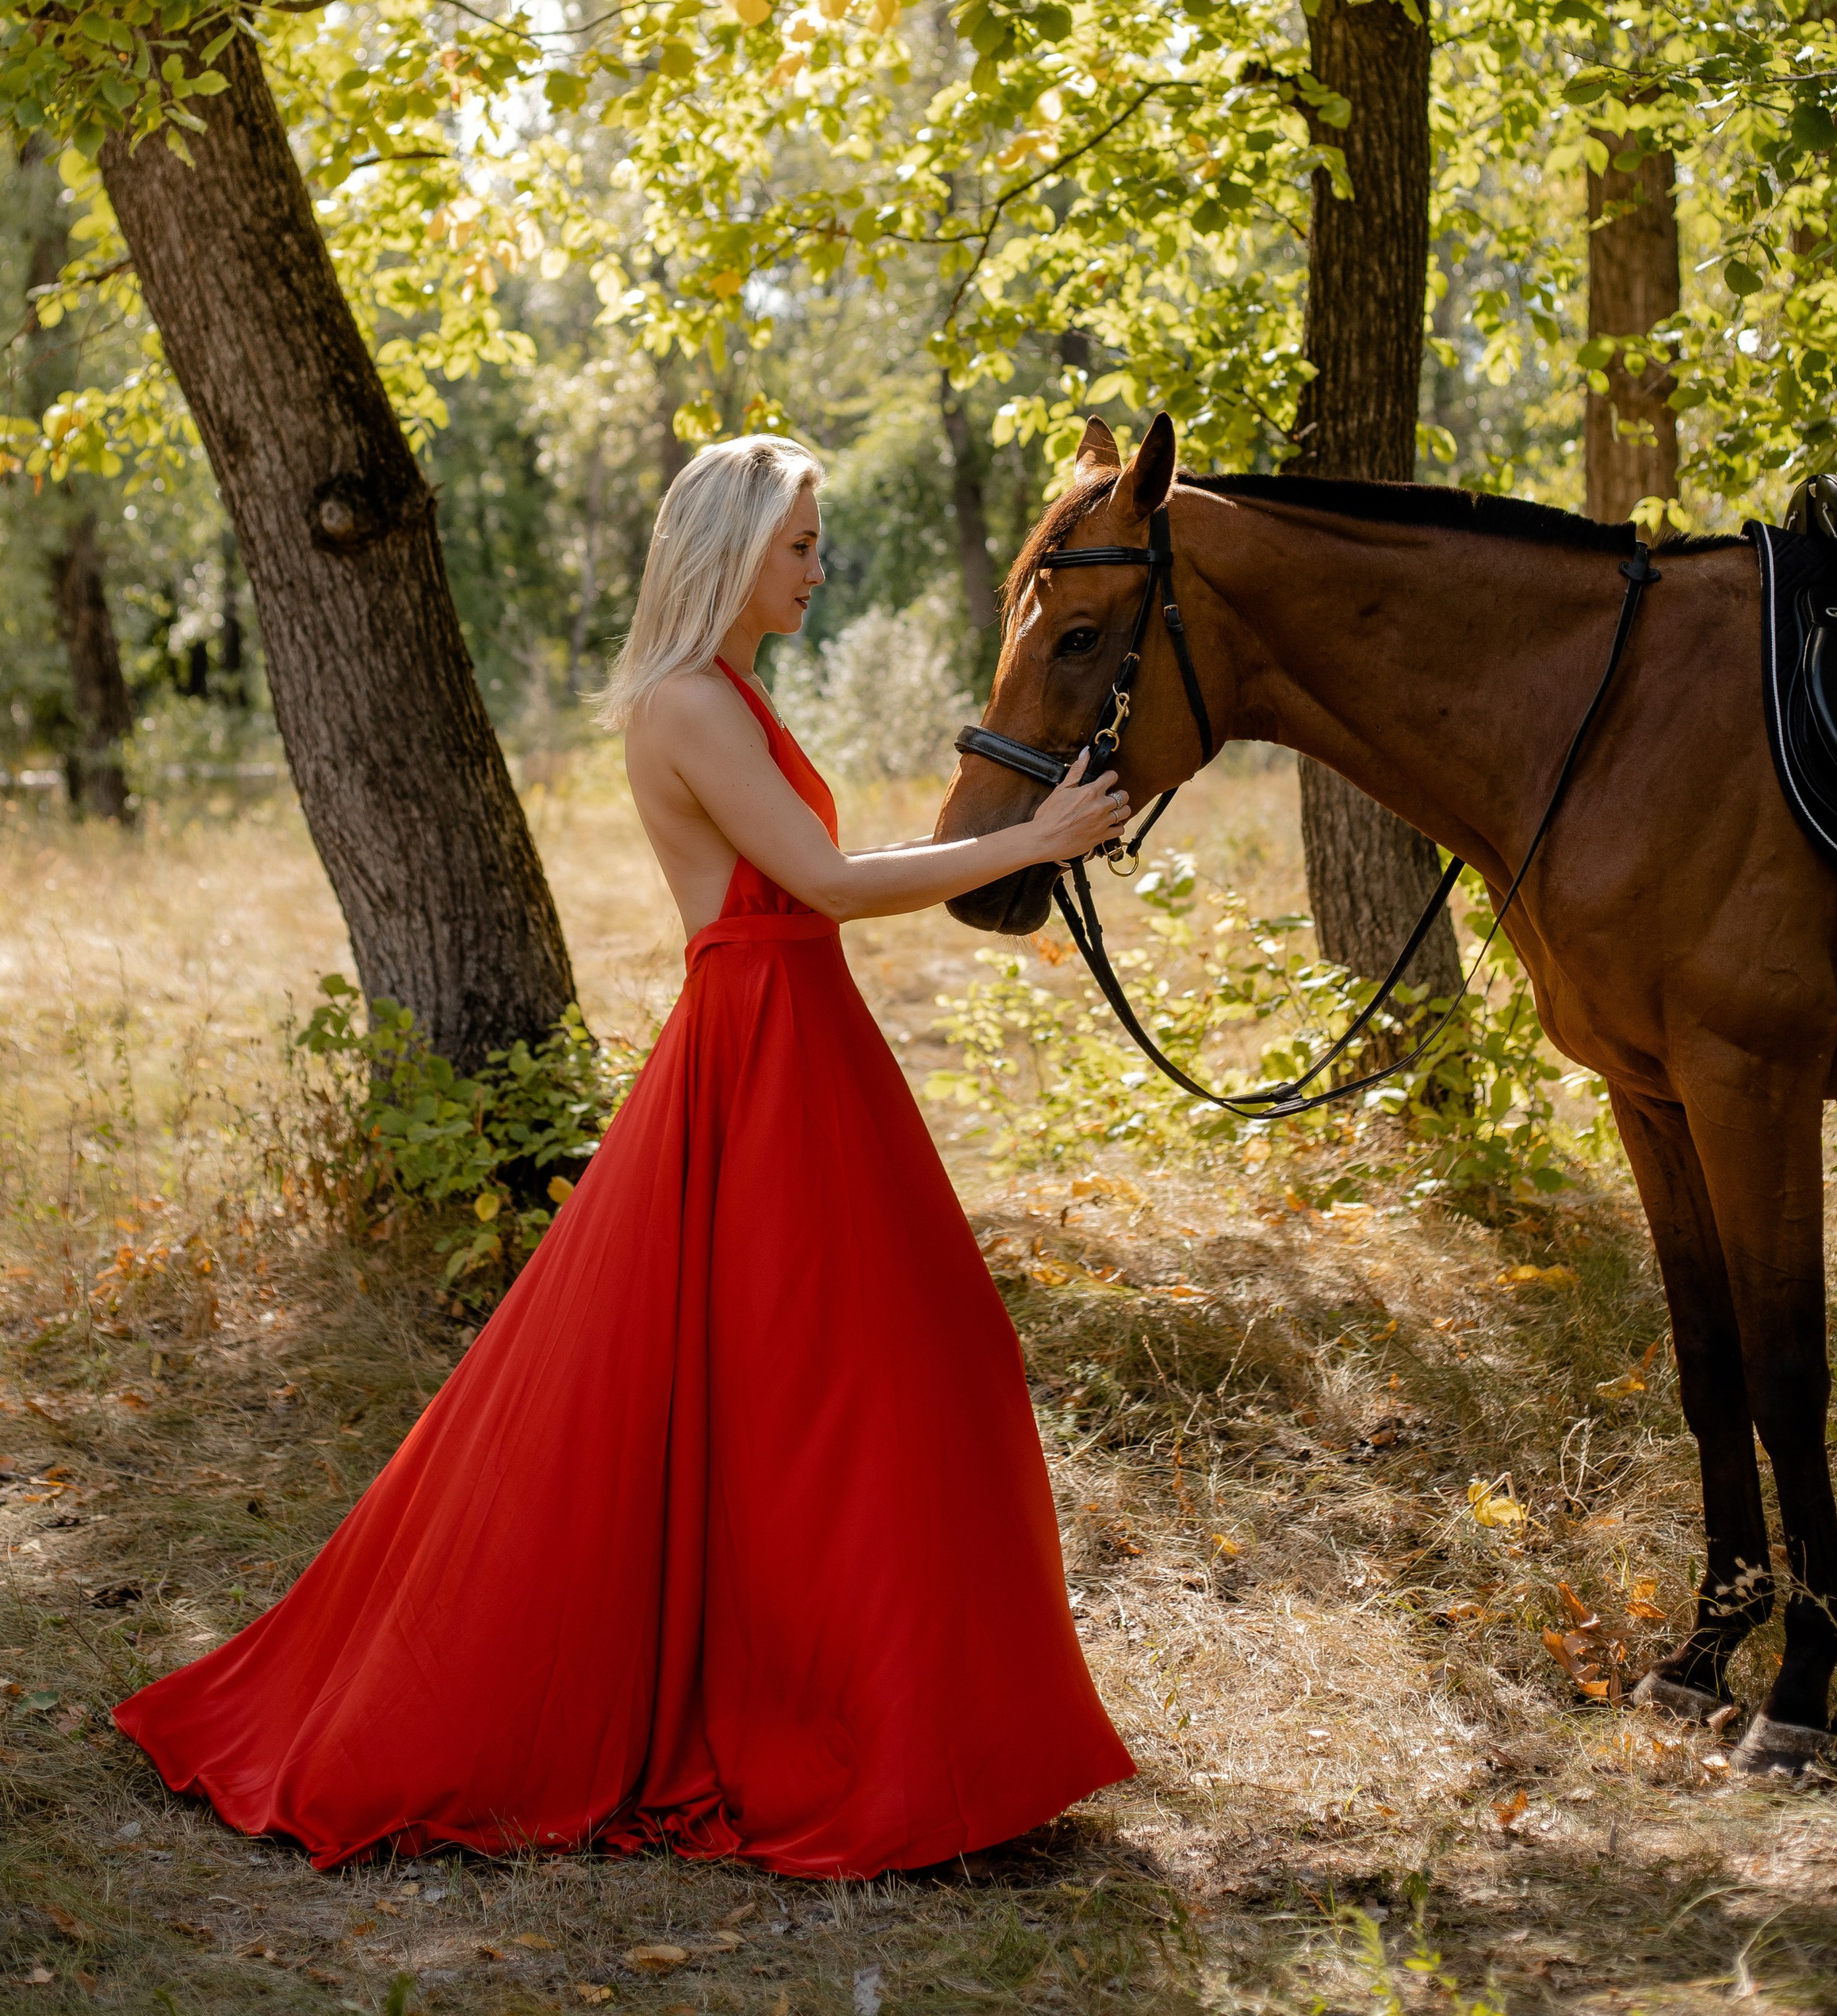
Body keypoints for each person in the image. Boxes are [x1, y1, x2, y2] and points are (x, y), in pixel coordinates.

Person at [114, 433, 1135, 1874]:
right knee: (851, 1386)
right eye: (799, 546)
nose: (818, 568)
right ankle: (873, 1735)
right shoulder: (685, 704)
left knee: (893, 1371)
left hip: (803, 1039)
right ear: (731, 553)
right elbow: (825, 882)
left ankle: (901, 1722)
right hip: (762, 1049)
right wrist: (1037, 836)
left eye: (816, 543)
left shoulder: (728, 691)